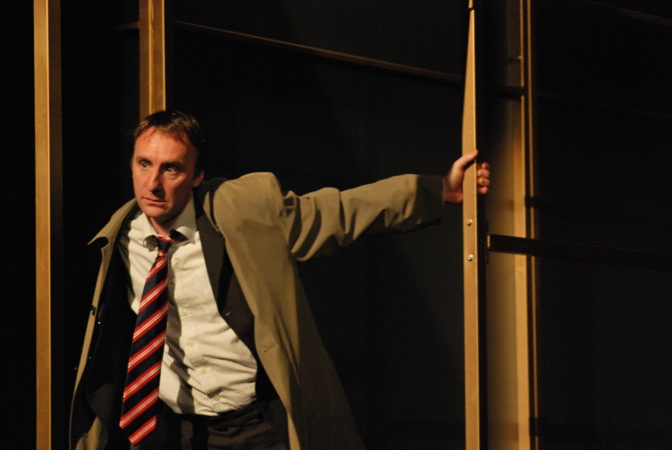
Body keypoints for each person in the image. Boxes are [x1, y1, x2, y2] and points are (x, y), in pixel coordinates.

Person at [70, 109, 491, 450]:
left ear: (197, 176)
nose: (153, 184)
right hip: (173, 429)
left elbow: (341, 212)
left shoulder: (241, 213)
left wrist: (438, 189)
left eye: (172, 169)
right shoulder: (120, 236)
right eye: (144, 164)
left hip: (256, 424)